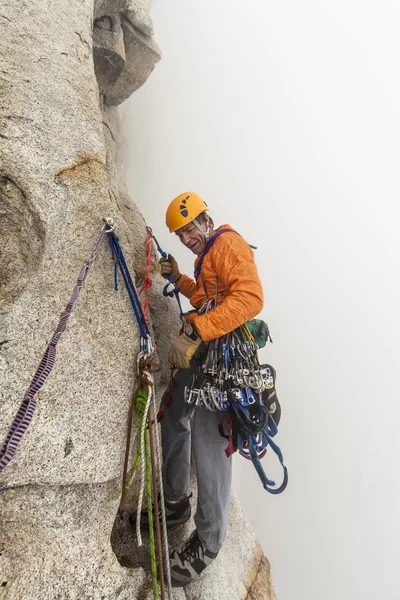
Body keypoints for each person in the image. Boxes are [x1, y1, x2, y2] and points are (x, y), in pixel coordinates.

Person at [159, 192, 264, 586]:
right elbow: (208, 299)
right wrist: (179, 278)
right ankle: (175, 501)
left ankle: (209, 541)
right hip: (207, 349)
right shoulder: (207, 257)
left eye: (189, 229)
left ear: (205, 220)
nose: (187, 239)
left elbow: (251, 298)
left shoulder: (227, 244)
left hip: (226, 358)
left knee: (208, 437)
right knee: (174, 413)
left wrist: (196, 329)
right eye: (181, 235)